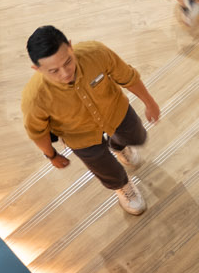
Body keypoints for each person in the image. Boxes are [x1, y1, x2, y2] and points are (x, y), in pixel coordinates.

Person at [20, 25, 161, 216]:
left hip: (115, 111)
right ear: (36, 69)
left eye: (68, 61)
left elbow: (128, 76)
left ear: (70, 46)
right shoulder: (34, 98)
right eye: (53, 71)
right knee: (106, 169)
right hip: (80, 137)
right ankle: (123, 186)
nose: (65, 73)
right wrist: (52, 155)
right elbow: (37, 132)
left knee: (136, 136)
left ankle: (119, 146)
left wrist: (150, 103)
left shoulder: (96, 52)